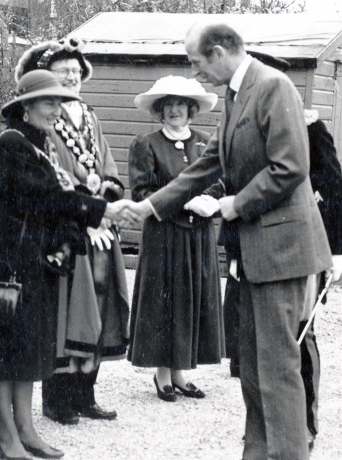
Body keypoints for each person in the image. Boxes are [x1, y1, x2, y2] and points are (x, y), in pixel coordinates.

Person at [128, 22, 338, 460]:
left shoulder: (273, 86)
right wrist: (151, 206)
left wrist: (232, 205)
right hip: (255, 252)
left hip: (285, 254)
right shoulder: (237, 94)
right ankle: (259, 452)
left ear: (220, 51)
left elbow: (291, 167)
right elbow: (208, 163)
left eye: (196, 61)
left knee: (277, 370)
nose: (195, 71)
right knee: (253, 369)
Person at [0, 69, 139, 460]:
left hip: (30, 264)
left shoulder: (38, 144)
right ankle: (5, 434)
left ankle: (26, 429)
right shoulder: (12, 144)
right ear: (26, 106)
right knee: (3, 353)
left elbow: (57, 196)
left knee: (29, 349)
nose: (56, 110)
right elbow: (47, 197)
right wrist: (104, 209)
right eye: (49, 102)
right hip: (4, 267)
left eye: (60, 103)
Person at [213, 51, 342, 451]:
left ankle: (303, 427)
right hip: (248, 254)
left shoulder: (310, 127)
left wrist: (335, 255)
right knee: (252, 359)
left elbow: (333, 190)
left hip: (294, 253)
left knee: (297, 344)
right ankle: (267, 433)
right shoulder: (243, 124)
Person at [14, 38, 129, 425]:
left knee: (102, 307)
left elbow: (109, 167)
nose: (72, 78)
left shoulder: (91, 117)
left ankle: (86, 393)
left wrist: (106, 207)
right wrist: (87, 217)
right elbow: (55, 180)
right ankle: (58, 398)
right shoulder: (46, 121)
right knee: (68, 312)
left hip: (99, 226)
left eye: (77, 72)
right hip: (71, 228)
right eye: (64, 72)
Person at [127, 75, 223, 402]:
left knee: (191, 299)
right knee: (166, 300)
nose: (174, 109)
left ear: (191, 108)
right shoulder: (146, 144)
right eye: (167, 104)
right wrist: (183, 202)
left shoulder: (207, 141)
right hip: (164, 235)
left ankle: (181, 372)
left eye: (180, 103)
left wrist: (209, 200)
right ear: (159, 109)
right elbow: (142, 191)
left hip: (198, 235)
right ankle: (162, 374)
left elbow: (219, 179)